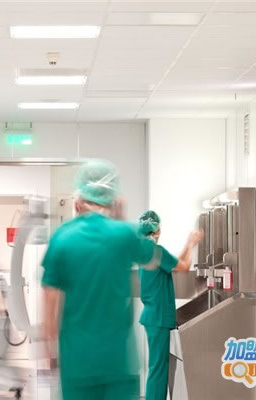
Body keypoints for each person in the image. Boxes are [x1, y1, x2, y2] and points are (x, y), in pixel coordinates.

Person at [41, 160, 163, 400]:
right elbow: (152, 259)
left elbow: (49, 305)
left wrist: (51, 352)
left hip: (77, 363)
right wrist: (121, 218)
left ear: (77, 202)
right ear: (112, 200)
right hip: (119, 362)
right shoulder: (124, 234)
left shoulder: (62, 238)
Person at [137, 210, 203, 400]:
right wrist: (191, 244)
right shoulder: (156, 251)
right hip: (158, 317)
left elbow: (176, 264)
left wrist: (187, 246)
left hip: (152, 315)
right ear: (158, 230)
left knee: (156, 367)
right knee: (158, 370)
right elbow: (184, 267)